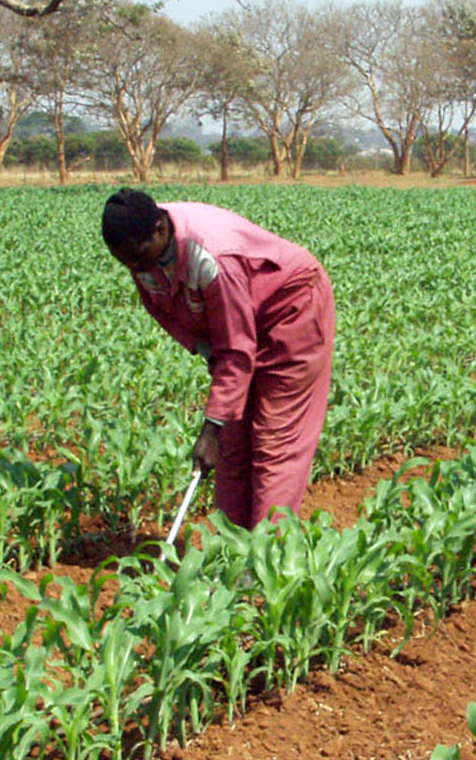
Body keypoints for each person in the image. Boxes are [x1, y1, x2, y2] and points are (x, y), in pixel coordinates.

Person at [102, 188, 336, 528]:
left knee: (274, 442)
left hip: (291, 310)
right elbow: (166, 310)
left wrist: (209, 429)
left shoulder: (212, 259)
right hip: (241, 321)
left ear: (160, 230)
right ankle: (229, 550)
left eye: (139, 257)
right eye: (126, 262)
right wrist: (209, 356)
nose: (137, 269)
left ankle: (265, 562)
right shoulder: (139, 248)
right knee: (233, 444)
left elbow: (237, 351)